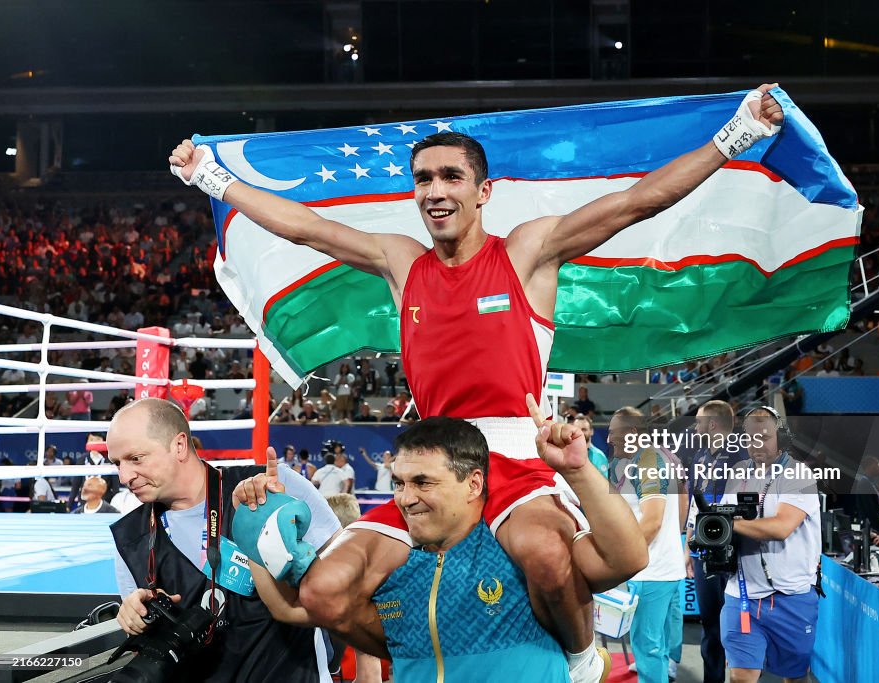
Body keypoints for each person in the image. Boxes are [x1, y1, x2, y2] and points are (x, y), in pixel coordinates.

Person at [169, 84, 782, 681]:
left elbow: (636, 202)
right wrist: (212, 179)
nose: (435, 191)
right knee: (327, 593)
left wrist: (738, 134)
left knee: (545, 554)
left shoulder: (525, 252)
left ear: (483, 190)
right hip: (434, 460)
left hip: (516, 453)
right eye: (423, 179)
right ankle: (427, 652)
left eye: (450, 177)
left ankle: (577, 655)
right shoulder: (401, 261)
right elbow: (304, 226)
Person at [231, 402, 647, 682]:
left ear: (473, 484)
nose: (406, 498)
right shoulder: (393, 563)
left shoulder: (517, 552)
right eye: (399, 483)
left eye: (423, 482)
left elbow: (627, 557)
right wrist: (257, 528)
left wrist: (578, 472)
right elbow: (290, 607)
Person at [106, 398, 340, 682]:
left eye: (135, 458)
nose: (124, 476)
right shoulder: (129, 538)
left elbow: (349, 580)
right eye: (117, 463)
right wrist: (136, 619)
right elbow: (148, 652)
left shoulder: (269, 488)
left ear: (179, 445)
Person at [719, 407, 821, 683]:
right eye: (750, 438)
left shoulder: (798, 475)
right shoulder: (738, 473)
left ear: (781, 438)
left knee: (795, 678)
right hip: (741, 596)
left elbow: (781, 527)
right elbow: (724, 520)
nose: (756, 444)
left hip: (791, 597)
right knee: (741, 676)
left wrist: (729, 524)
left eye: (764, 437)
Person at [607, 407, 687, 683]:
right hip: (662, 568)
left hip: (651, 572)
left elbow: (652, 521)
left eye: (613, 433)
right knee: (658, 648)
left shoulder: (648, 461)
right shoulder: (655, 458)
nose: (608, 440)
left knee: (649, 650)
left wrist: (620, 563)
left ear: (631, 434)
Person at [686, 400, 746, 683]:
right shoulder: (699, 456)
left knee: (735, 627)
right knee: (709, 625)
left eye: (698, 421)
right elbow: (693, 504)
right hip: (702, 552)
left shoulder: (742, 457)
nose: (695, 427)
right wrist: (689, 543)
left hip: (734, 555)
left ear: (712, 424)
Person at [573, 415, 608, 479]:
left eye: (584, 429)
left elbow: (602, 485)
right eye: (577, 429)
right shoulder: (568, 454)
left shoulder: (599, 456)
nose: (580, 432)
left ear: (591, 431)